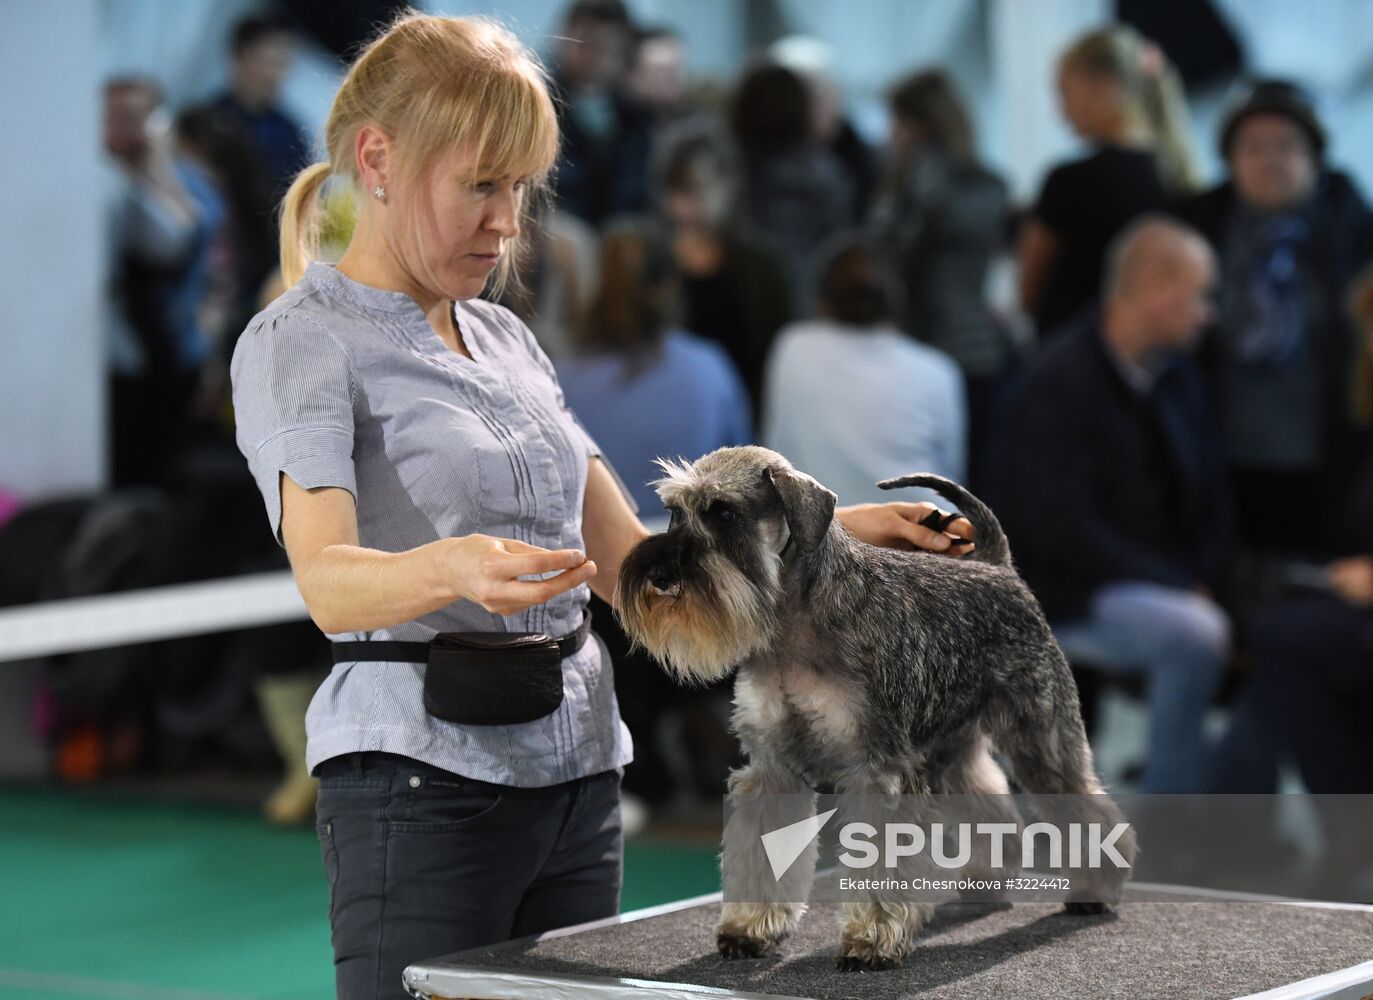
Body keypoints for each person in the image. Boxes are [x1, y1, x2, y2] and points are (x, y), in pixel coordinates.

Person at [229, 14, 979, 998]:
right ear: (376, 158)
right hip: (419, 787)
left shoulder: (505, 339)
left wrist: (829, 539)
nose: (507, 222)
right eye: (480, 185)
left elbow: (632, 566)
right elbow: (327, 581)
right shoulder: (300, 341)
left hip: (579, 776)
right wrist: (448, 568)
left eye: (520, 189)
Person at [993, 217, 1233, 793]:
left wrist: (1206, 573)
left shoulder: (1176, 377)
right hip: (1065, 588)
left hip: (1145, 575)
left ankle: (1213, 796)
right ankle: (1175, 817)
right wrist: (1176, 582)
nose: (1208, 313)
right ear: (1152, 287)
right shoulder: (1055, 384)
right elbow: (1060, 530)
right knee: (1196, 635)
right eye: (1200, 295)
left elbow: (1211, 496)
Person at [556, 222, 752, 815]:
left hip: (603, 594)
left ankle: (651, 759)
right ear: (671, 288)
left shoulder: (560, 375)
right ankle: (701, 726)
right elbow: (743, 469)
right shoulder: (710, 368)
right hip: (699, 583)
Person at [1175, 80, 1373, 559]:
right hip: (1224, 447)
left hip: (1329, 447)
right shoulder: (1199, 226)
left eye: (1286, 146)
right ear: (1230, 158)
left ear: (1315, 156)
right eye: (1253, 147)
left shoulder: (1354, 230)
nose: (1270, 160)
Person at [870, 68, 1013, 491]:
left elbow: (889, 260)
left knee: (925, 491)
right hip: (983, 351)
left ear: (915, 125)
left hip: (922, 348)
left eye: (896, 123)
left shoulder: (913, 188)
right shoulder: (992, 185)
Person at [1020, 26, 1200, 339]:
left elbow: (1029, 290)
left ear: (1105, 86)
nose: (1060, 111)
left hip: (1074, 350)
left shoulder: (1070, 181)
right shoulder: (1176, 174)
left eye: (1065, 93)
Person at [764, 235, 966, 508]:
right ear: (897, 297)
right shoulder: (938, 372)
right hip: (922, 537)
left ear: (821, 300)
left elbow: (772, 455)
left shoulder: (792, 347)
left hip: (821, 538)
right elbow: (952, 477)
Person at [103, 76, 224, 487]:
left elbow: (191, 235)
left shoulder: (183, 181)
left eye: (136, 117)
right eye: (114, 116)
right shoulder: (96, 181)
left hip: (179, 344)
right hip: (127, 350)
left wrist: (157, 166)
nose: (123, 127)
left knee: (164, 467)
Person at [651, 122, 793, 418]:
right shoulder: (653, 259)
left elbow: (773, 360)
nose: (683, 204)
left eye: (695, 190)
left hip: (745, 421)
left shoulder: (760, 267)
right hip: (671, 418)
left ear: (729, 186)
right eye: (675, 189)